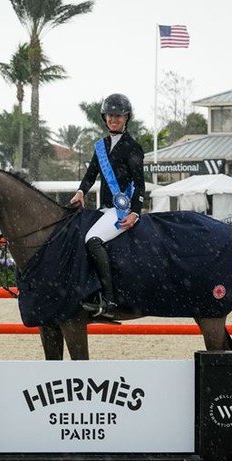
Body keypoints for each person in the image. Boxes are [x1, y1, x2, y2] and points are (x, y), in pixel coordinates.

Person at [69, 93, 145, 317]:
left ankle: (110, 301)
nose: (114, 120)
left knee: (92, 240)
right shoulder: (101, 146)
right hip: (104, 209)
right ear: (105, 118)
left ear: (126, 118)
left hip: (121, 211)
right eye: (110, 116)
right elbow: (91, 174)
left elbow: (140, 186)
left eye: (118, 116)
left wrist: (135, 213)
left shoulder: (133, 147)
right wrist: (81, 191)